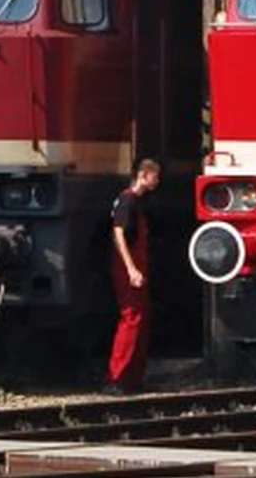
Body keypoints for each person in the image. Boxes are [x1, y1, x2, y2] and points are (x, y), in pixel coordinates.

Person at [105, 157, 162, 395]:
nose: (157, 181)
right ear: (144, 175)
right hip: (128, 267)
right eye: (155, 176)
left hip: (137, 266)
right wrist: (131, 268)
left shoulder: (136, 202)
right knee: (132, 317)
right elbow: (118, 233)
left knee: (141, 318)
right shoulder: (128, 200)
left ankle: (133, 378)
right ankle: (118, 376)